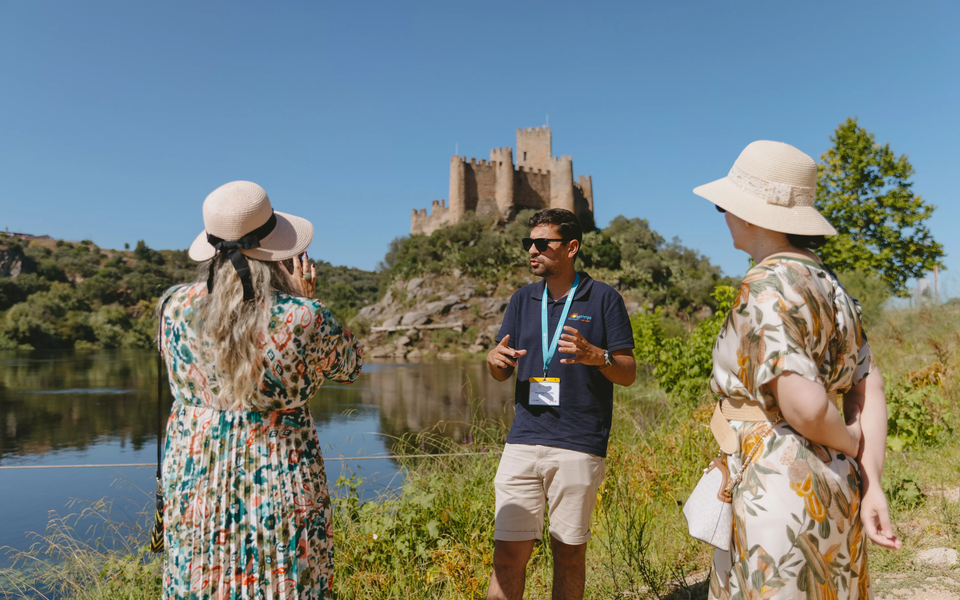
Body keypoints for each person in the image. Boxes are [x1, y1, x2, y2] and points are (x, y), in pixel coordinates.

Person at [693, 141, 901, 600]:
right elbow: (870, 385)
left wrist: (847, 436)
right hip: (838, 485)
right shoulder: (833, 288)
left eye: (724, 205)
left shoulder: (765, 284)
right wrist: (872, 484)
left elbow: (802, 405)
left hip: (779, 485)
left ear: (751, 214)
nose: (723, 214)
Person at [157, 181, 362, 599]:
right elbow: (350, 365)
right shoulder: (303, 317)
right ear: (277, 250)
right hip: (279, 483)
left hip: (195, 484)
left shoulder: (172, 307)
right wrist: (304, 300)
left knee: (202, 585)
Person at [484, 208, 636, 600]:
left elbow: (628, 371)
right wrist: (493, 363)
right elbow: (502, 369)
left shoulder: (604, 298)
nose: (532, 251)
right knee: (506, 555)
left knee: (568, 555)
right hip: (522, 440)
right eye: (528, 244)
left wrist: (597, 357)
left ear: (571, 248)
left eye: (541, 244)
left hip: (578, 443)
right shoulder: (522, 299)